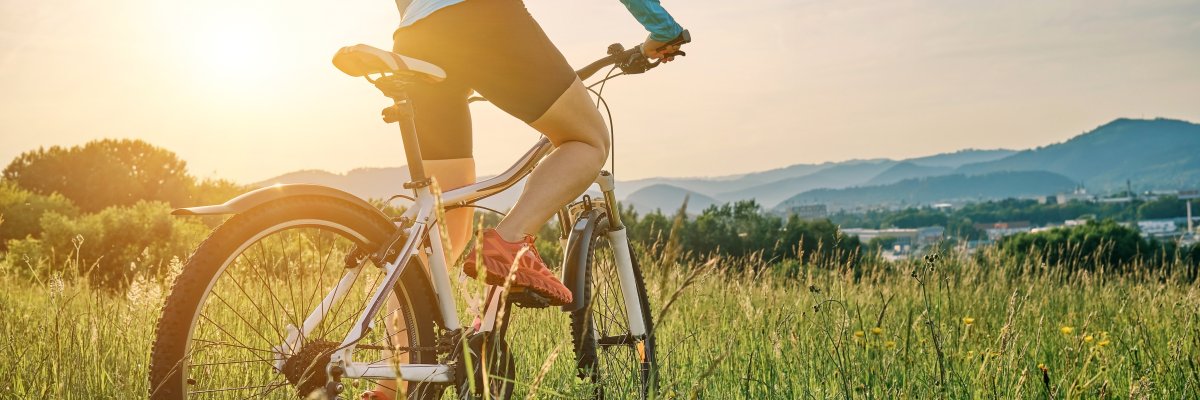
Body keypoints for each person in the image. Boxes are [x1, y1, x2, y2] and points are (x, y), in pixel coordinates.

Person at [365, 0, 684, 398]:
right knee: (586, 140)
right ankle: (509, 241)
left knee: (443, 236)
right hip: (482, 15)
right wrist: (662, 29)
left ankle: (390, 385)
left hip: (415, 35)